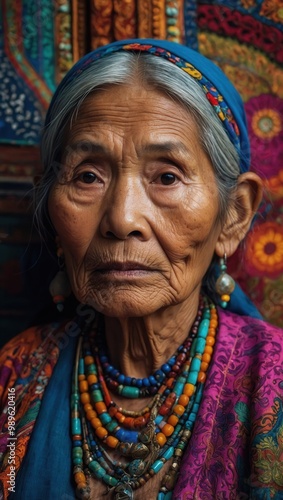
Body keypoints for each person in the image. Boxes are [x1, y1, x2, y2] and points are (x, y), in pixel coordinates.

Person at [0, 38, 282, 500]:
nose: (122, 219)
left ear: (233, 215)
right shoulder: (15, 379)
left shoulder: (274, 382)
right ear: (50, 210)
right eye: (88, 176)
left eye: (167, 176)